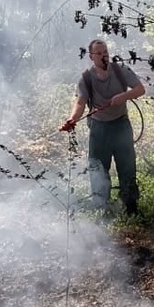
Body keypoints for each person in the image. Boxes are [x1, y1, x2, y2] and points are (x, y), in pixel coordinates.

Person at [60, 39, 145, 215]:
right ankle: (101, 211)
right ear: (91, 57)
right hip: (99, 129)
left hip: (121, 125)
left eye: (105, 52)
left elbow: (140, 89)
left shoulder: (120, 70)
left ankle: (131, 209)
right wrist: (72, 119)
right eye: (99, 53)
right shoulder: (86, 78)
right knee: (98, 170)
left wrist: (124, 96)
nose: (104, 55)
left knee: (127, 168)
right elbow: (80, 102)